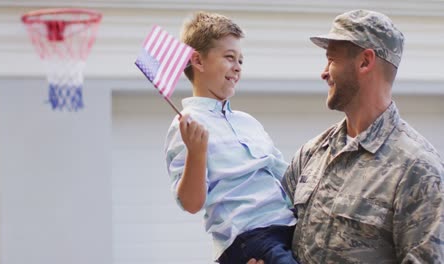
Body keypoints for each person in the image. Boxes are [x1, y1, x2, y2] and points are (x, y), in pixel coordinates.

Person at [248, 9, 444, 264]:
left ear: (365, 61)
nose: (324, 72)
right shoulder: (311, 154)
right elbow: (273, 234)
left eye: (331, 59)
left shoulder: (418, 169)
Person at [165, 11, 298, 264]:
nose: (237, 67)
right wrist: (197, 152)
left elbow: (285, 176)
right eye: (229, 57)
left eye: (241, 60)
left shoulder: (248, 122)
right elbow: (192, 203)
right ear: (198, 61)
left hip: (287, 227)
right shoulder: (186, 125)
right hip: (249, 238)